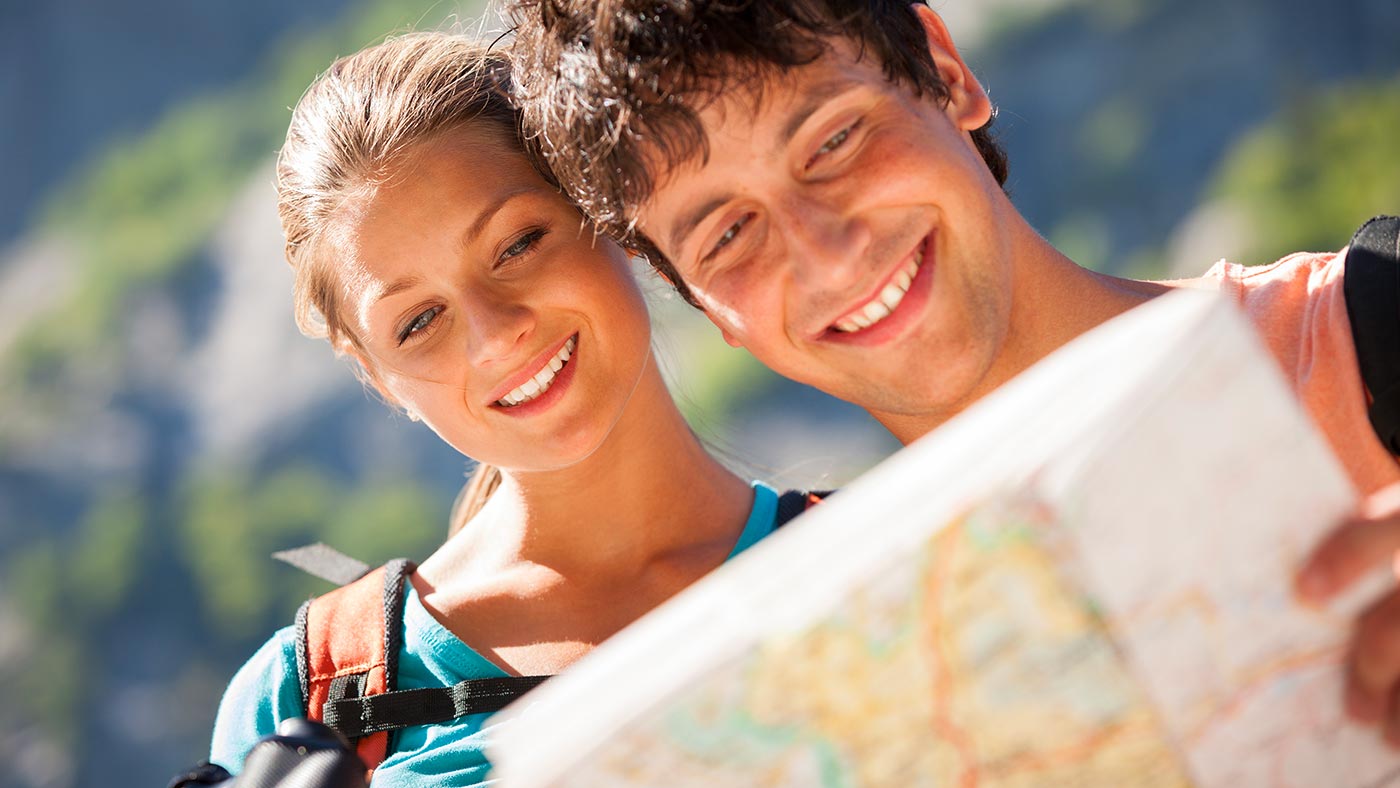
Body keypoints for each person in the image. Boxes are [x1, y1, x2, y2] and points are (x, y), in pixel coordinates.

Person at [506, 0, 1400, 745]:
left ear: (946, 69)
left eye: (834, 140)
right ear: (704, 307)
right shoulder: (825, 684)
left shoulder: (1375, 325)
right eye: (729, 235)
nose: (825, 254)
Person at [207, 31, 802, 784]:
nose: (495, 336)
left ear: (603, 208)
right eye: (418, 322)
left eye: (517, 243)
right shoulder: (306, 697)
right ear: (378, 375)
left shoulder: (877, 554)